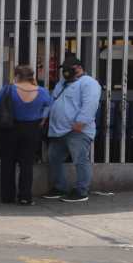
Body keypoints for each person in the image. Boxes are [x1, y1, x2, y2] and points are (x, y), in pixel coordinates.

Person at [0, 65, 52, 205]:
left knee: (7, 163)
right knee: (27, 164)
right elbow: (48, 107)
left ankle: (7, 197)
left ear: (17, 76)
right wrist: (42, 120)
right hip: (32, 129)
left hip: (9, 128)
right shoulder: (42, 91)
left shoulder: (8, 89)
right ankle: (25, 197)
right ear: (31, 76)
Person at [42, 56, 102, 203]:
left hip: (77, 130)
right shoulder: (62, 84)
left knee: (80, 160)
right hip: (58, 130)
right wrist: (44, 117)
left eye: (70, 68)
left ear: (79, 67)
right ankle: (59, 187)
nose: (66, 71)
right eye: (64, 69)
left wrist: (81, 122)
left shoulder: (89, 83)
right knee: (54, 158)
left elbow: (90, 104)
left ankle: (82, 191)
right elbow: (52, 101)